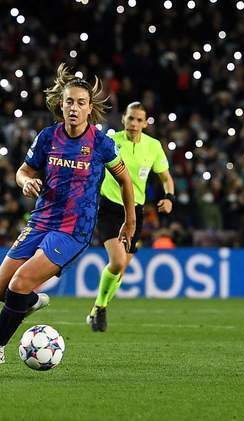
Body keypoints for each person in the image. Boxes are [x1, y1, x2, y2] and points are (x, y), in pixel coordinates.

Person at [0, 64, 135, 365]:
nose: (74, 108)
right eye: (69, 101)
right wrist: (26, 182)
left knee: (19, 284)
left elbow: (126, 181)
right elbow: (23, 171)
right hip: (41, 220)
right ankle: (33, 301)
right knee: (0, 289)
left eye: (81, 103)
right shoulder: (48, 137)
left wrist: (130, 222)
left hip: (73, 229)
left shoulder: (101, 143)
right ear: (60, 104)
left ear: (89, 108)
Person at [87, 101, 173, 331]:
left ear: (145, 123)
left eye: (139, 120)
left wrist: (169, 197)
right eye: (131, 118)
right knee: (117, 262)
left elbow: (166, 178)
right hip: (109, 208)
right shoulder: (111, 141)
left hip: (135, 212)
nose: (134, 123)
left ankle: (97, 308)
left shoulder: (153, 146)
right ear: (123, 118)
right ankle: (101, 308)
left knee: (121, 270)